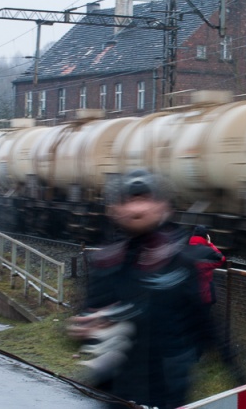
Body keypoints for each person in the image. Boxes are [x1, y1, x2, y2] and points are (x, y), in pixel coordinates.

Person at [67, 169, 202, 409]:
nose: (137, 209)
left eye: (144, 199)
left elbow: (207, 327)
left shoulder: (181, 261)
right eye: (129, 201)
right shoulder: (104, 262)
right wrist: (80, 331)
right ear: (115, 210)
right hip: (117, 394)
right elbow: (86, 320)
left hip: (167, 391)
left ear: (163, 206)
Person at [185, 225, 226, 354]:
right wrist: (209, 244)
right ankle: (198, 353)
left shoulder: (185, 251)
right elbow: (221, 259)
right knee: (202, 326)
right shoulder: (207, 251)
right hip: (204, 296)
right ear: (205, 237)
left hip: (186, 296)